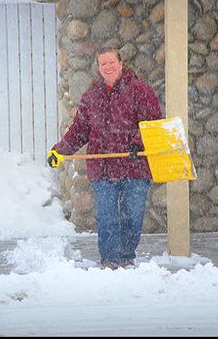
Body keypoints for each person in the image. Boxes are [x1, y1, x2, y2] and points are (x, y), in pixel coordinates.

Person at [47, 47, 163, 270]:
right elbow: (79, 130)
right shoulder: (91, 96)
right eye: (103, 64)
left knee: (132, 215)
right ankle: (109, 261)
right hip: (103, 168)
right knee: (108, 217)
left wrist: (135, 142)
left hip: (134, 166)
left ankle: (127, 257)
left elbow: (153, 126)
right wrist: (60, 151)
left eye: (111, 62)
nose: (108, 67)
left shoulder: (141, 91)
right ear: (98, 68)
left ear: (121, 63)